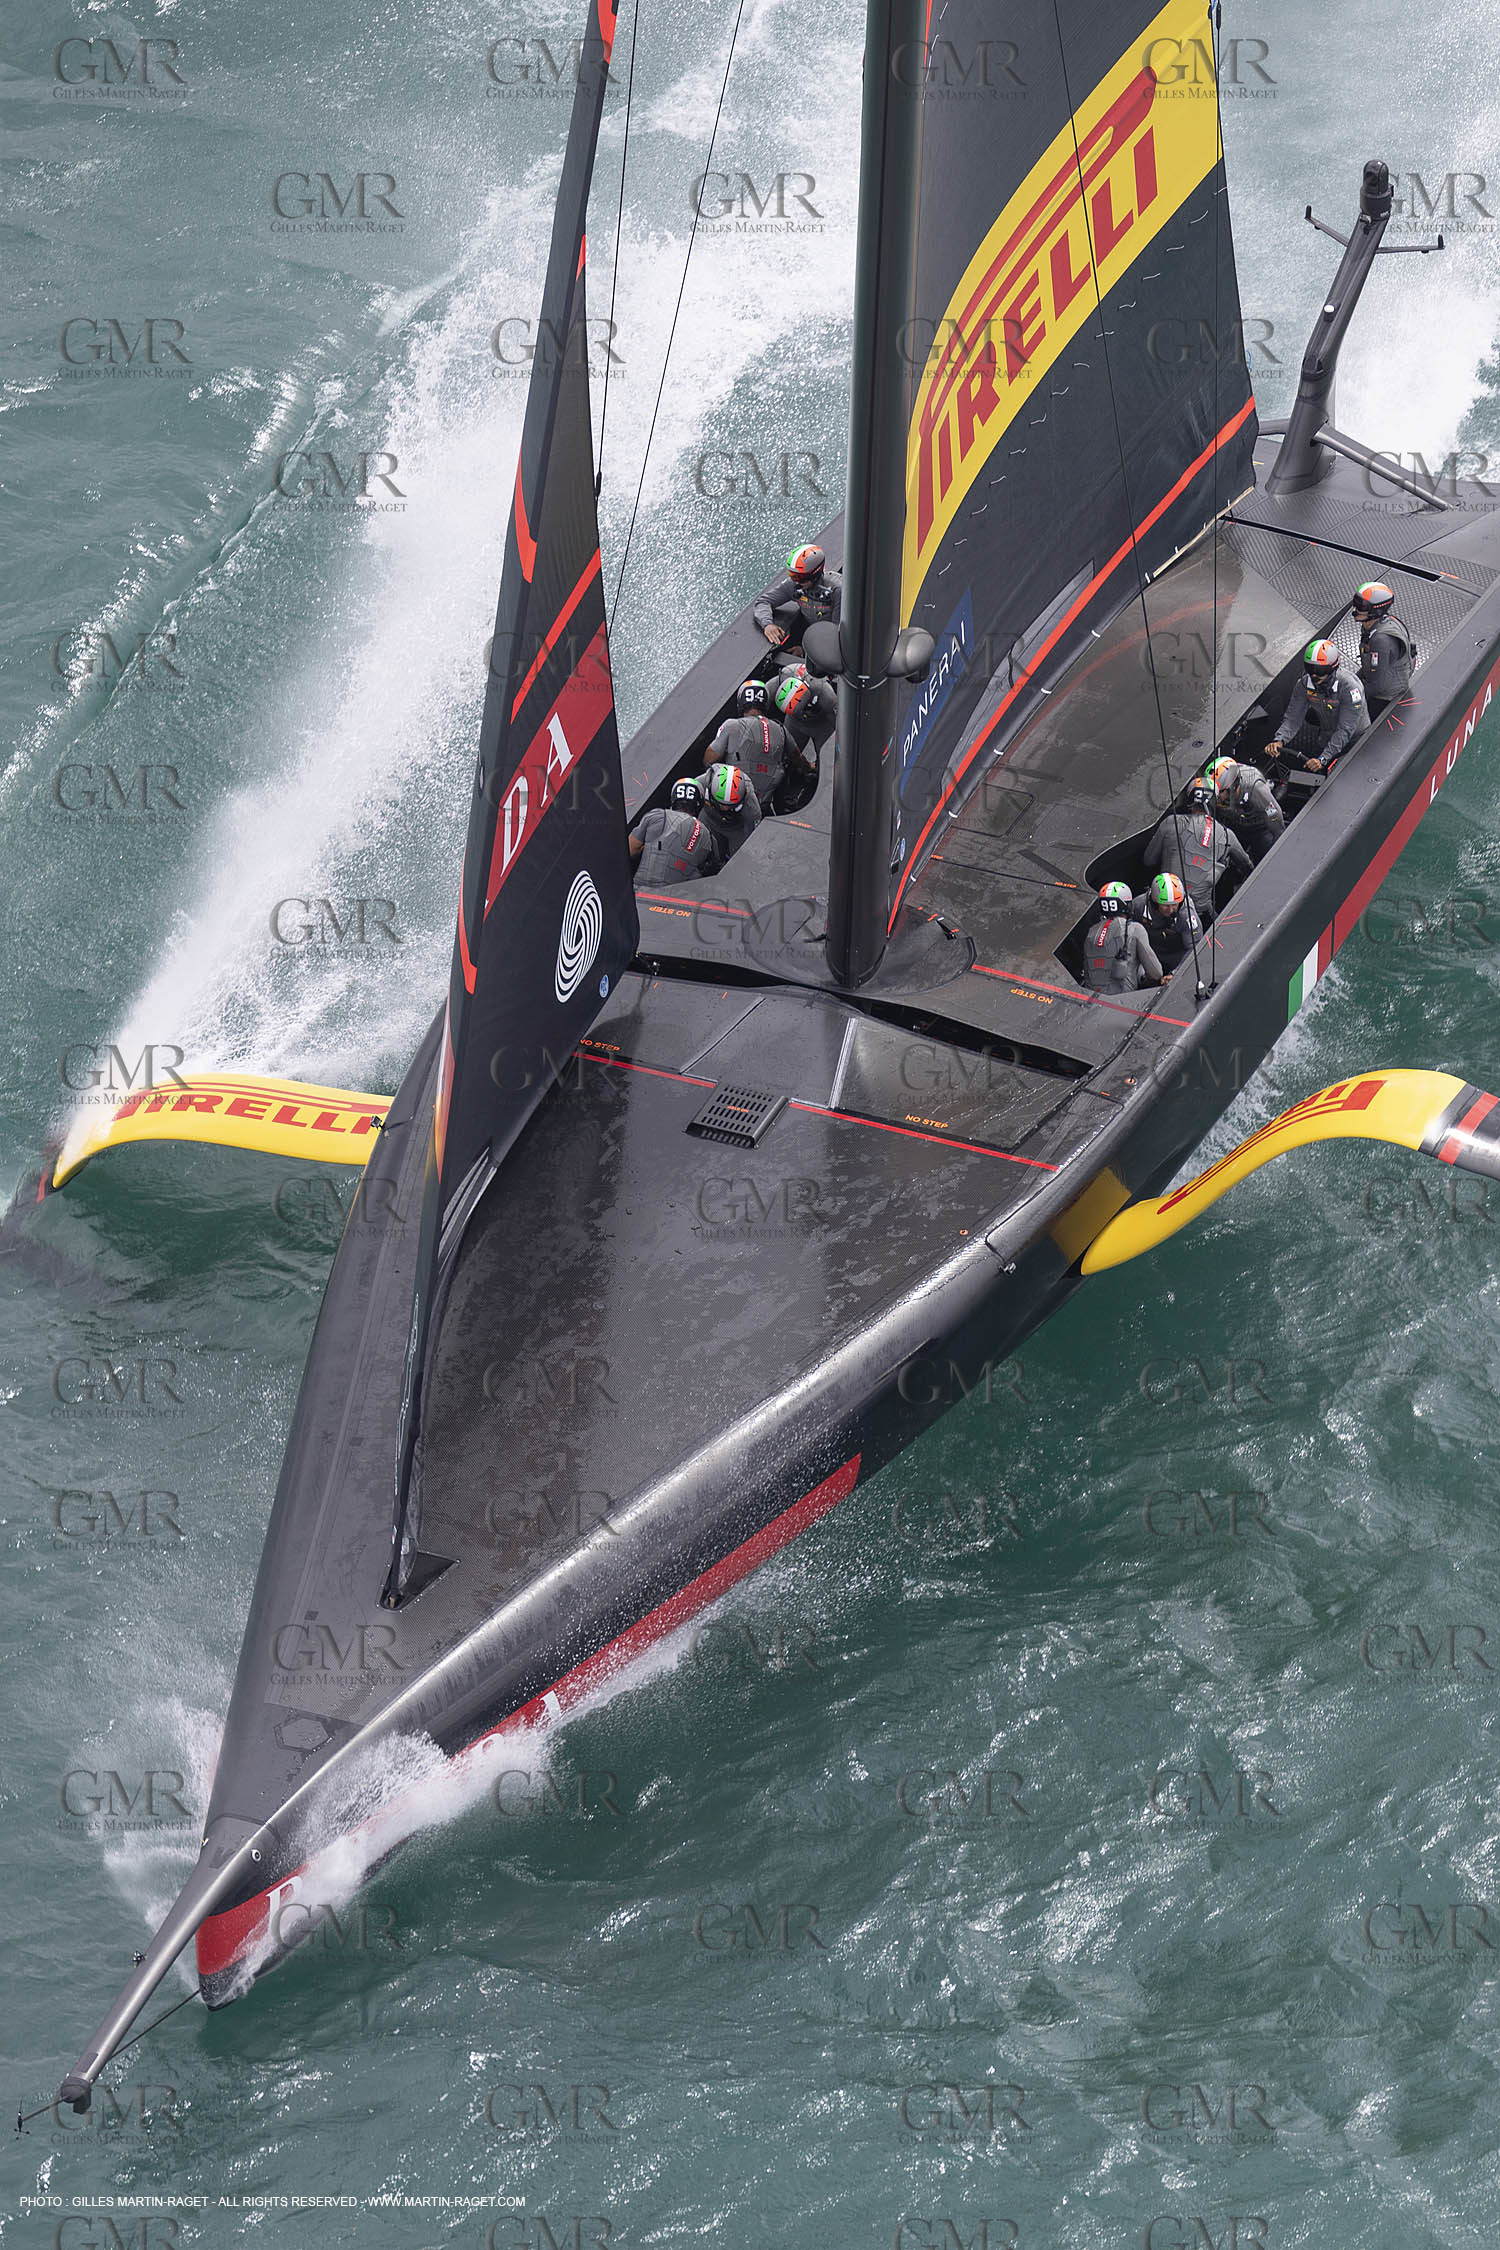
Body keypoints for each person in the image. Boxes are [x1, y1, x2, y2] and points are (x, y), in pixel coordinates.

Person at [1144, 782, 1251, 920]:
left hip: (1162, 906)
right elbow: (1247, 867)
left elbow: (1148, 860)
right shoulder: (1226, 835)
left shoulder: (1170, 822)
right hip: (1200, 913)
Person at [1267, 639, 1367, 773]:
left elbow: (1345, 729)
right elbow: (1293, 718)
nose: (1314, 675)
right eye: (1310, 668)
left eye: (1320, 670)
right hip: (1327, 736)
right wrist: (1279, 739)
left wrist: (1323, 759)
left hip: (1356, 742)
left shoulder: (1350, 688)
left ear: (1332, 667)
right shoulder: (1303, 685)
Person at [706, 679, 809, 801]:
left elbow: (708, 760)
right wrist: (809, 768)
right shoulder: (781, 729)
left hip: (730, 796)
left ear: (741, 702)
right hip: (764, 802)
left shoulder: (731, 725)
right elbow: (798, 759)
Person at [752, 544, 842, 650]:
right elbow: (763, 602)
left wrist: (805, 651)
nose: (796, 582)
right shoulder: (793, 585)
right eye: (792, 575)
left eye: (800, 577)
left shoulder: (837, 591)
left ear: (814, 575)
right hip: (814, 637)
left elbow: (837, 633)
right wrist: (767, 625)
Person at [1084, 881, 1163, 992]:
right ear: (1128, 906)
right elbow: (1156, 973)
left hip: (1093, 999)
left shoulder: (1091, 933)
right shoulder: (1136, 929)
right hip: (1123, 1000)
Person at [1352, 580, 1415, 714]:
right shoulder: (1374, 626)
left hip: (1384, 697)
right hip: (1375, 680)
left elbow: (1377, 686)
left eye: (1361, 606)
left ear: (1376, 610)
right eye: (1355, 603)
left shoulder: (1381, 640)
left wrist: (1347, 696)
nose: (1355, 610)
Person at [1213, 757, 1285, 865]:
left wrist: (1277, 848)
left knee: (1263, 861)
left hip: (1260, 829)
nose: (1215, 796)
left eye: (1218, 793)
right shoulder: (1217, 793)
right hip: (1235, 826)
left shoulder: (1256, 790)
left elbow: (1275, 817)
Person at [1133, 871, 1204, 975]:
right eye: (1165, 905)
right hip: (1150, 954)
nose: (1170, 910)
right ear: (1155, 902)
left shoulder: (1187, 915)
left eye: (1174, 905)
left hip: (1177, 958)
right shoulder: (1139, 905)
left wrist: (1175, 973)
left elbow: (1195, 949)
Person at [629, 803, 717, 886]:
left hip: (640, 889)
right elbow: (710, 870)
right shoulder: (706, 834)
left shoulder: (656, 816)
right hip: (675, 895)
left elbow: (630, 850)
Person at [693, 762, 762, 865]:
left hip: (736, 828)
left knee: (740, 860)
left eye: (730, 806)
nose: (724, 808)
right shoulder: (701, 783)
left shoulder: (751, 807)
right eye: (720, 804)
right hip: (708, 820)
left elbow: (751, 836)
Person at [774, 666, 836, 754]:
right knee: (787, 752)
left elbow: (837, 721)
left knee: (824, 755)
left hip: (822, 727)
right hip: (794, 722)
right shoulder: (787, 673)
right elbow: (768, 689)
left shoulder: (826, 695)